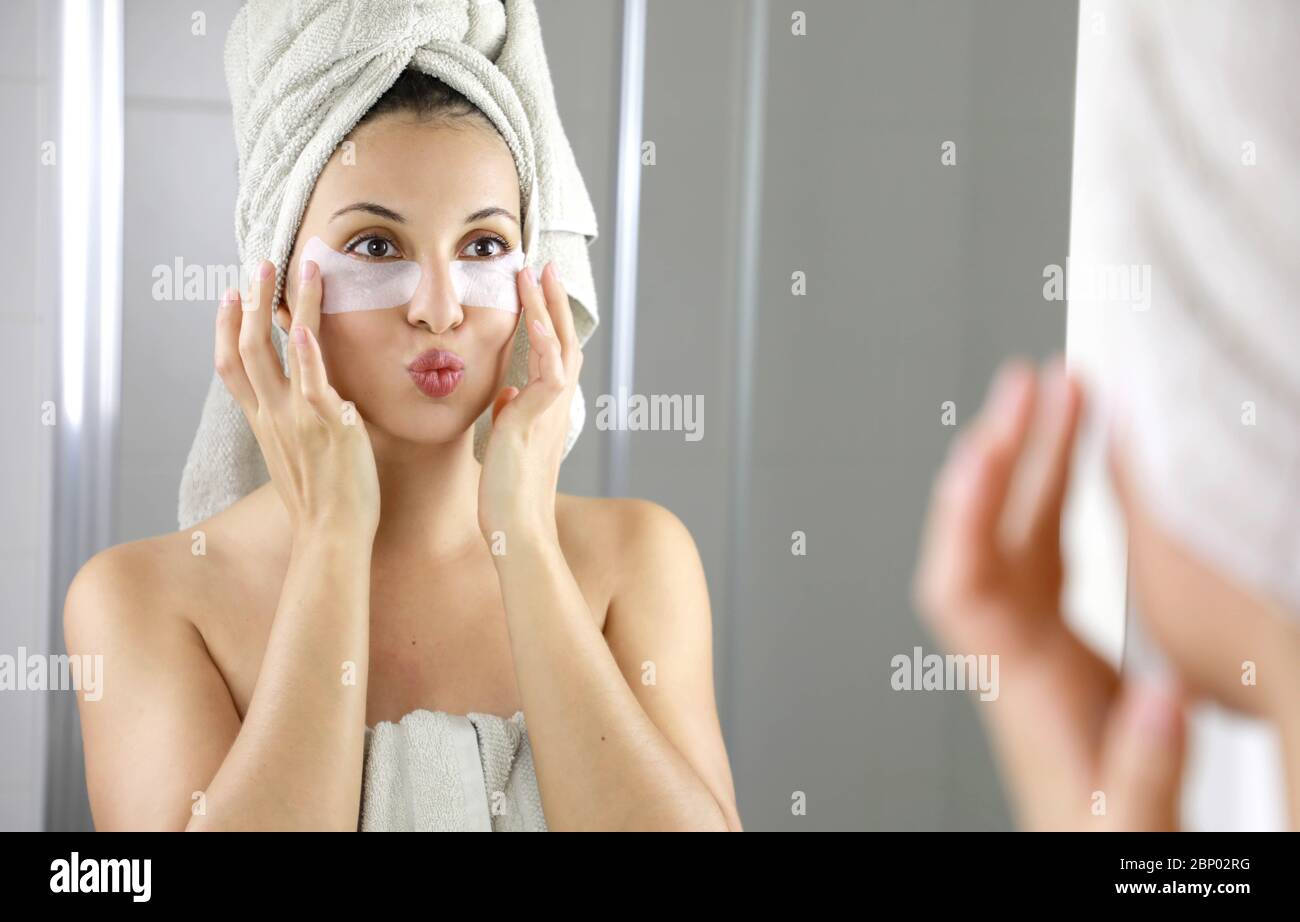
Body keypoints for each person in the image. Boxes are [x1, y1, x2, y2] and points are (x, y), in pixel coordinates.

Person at [63, 66, 741, 832]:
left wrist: (524, 542)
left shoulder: (636, 561)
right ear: (281, 292)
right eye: (378, 245)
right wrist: (331, 543)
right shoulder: (142, 600)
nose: (439, 307)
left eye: (484, 245)